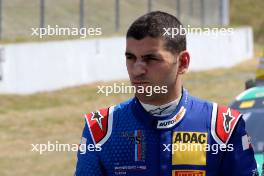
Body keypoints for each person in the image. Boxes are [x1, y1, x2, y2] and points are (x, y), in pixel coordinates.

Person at [74, 11, 258, 176]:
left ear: (183, 62)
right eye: (131, 58)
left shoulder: (224, 126)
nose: (137, 69)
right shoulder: (100, 129)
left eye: (151, 59)